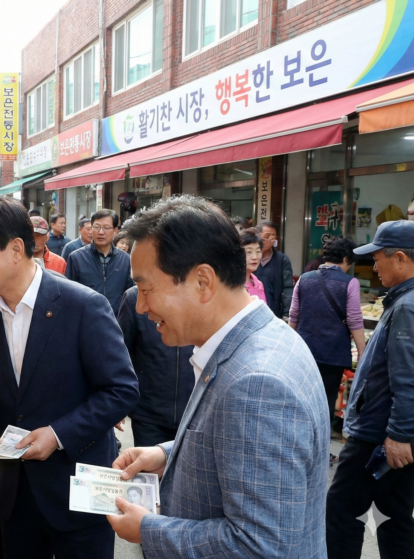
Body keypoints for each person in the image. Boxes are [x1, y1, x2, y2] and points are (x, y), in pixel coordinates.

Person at [107, 195, 329, 558]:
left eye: (146, 289)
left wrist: (149, 529)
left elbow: (262, 546)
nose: (142, 307)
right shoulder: (260, 337)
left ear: (202, 281)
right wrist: (168, 454)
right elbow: (237, 447)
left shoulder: (256, 384)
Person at [0, 196, 138, 559]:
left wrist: (58, 435)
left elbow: (121, 390)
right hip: (14, 491)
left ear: (14, 249)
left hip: (80, 487)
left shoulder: (83, 305)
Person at [325, 221, 414, 559]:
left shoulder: (406, 307)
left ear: (401, 258)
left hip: (379, 433)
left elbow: (407, 377)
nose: (373, 267)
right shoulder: (404, 302)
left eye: (378, 259)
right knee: (395, 515)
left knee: (341, 511)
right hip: (391, 430)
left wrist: (400, 434)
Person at [290, 236, 366, 460]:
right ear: (344, 258)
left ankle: (299, 447)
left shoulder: (304, 279)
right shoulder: (349, 283)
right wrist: (363, 351)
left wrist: (289, 346)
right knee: (326, 401)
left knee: (302, 399)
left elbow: (294, 315)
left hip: (304, 351)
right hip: (333, 353)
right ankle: (320, 452)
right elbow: (354, 320)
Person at [117, 286, 196, 448]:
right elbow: (120, 354)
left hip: (193, 415)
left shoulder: (198, 294)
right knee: (150, 471)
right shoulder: (135, 298)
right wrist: (117, 402)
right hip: (149, 415)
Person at [65, 209, 134, 311]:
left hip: (116, 321)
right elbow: (69, 294)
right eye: (96, 227)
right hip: (86, 320)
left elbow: (129, 294)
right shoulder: (76, 257)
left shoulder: (126, 260)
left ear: (115, 231)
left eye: (106, 228)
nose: (101, 232)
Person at [253, 220, 295, 318]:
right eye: (267, 236)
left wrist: (286, 314)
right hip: (252, 310)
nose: (271, 240)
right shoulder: (249, 259)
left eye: (273, 236)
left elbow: (288, 287)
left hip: (274, 312)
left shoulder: (282, 259)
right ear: (257, 236)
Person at [240, 228, 268, 303]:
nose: (255, 257)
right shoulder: (230, 284)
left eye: (258, 251)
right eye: (249, 252)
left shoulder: (259, 284)